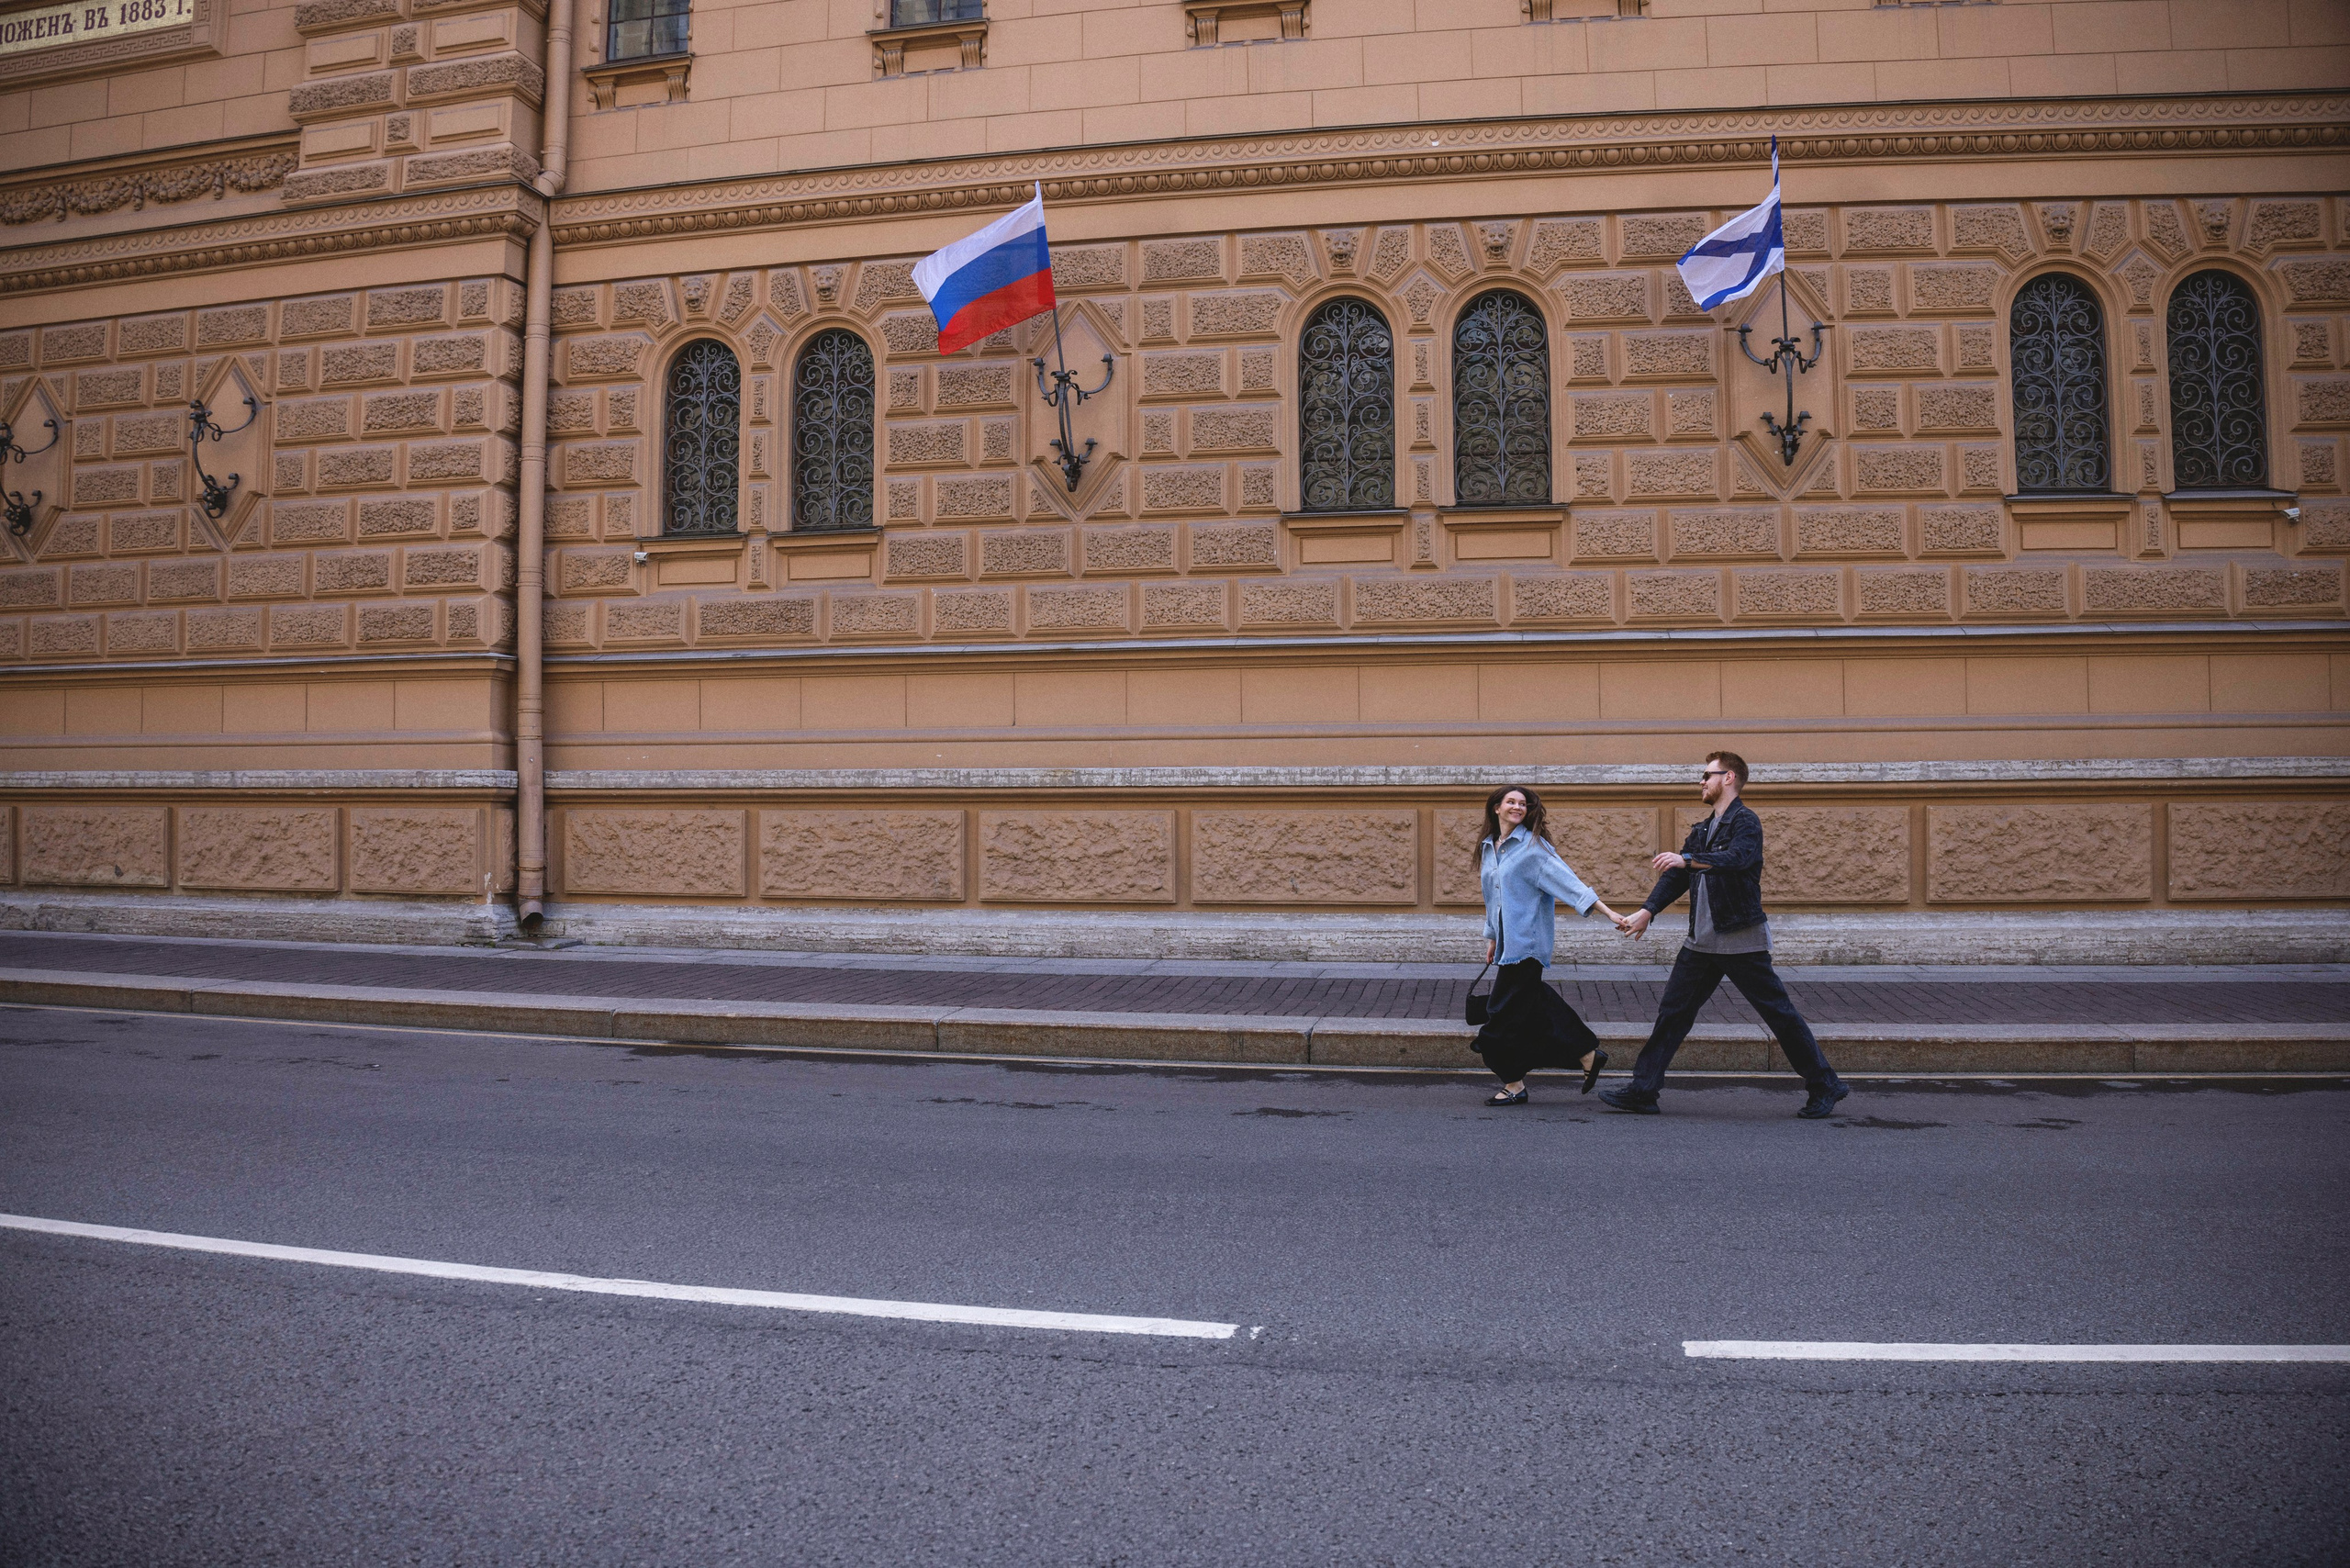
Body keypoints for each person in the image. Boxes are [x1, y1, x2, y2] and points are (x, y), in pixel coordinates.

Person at [1599, 751, 1851, 1120]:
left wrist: (1687, 859)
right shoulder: (1702, 829)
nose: (1701, 782)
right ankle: (1644, 1089)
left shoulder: (1746, 822)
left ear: (1729, 777)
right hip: (1701, 943)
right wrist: (1647, 912)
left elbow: (1737, 859)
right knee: (1673, 1013)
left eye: (1707, 774)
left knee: (1780, 1016)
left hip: (1740, 940)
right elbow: (1677, 876)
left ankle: (1824, 1083)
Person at [1472, 785, 1630, 1106]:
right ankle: (1586, 1055)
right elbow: (1494, 898)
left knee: (1497, 1019)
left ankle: (1516, 1082)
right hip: (1507, 944)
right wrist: (1492, 937)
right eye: (1511, 802)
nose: (1517, 807)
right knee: (1531, 1007)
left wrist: (1610, 912)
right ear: (1496, 808)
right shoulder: (1490, 848)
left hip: (1528, 944)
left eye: (1523, 803)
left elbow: (1569, 883)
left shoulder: (1533, 848)